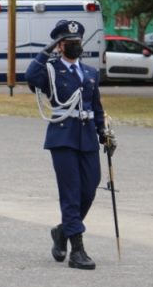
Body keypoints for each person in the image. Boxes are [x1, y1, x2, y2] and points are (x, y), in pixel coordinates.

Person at [26, 19, 112, 270]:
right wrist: (45, 53)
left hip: (86, 138)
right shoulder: (51, 71)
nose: (75, 46)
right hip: (63, 137)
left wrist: (103, 133)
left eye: (77, 42)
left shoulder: (90, 73)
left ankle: (63, 231)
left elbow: (96, 107)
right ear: (60, 46)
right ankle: (77, 249)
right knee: (71, 193)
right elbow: (30, 77)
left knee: (90, 188)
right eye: (69, 43)